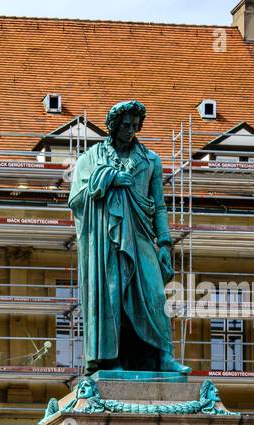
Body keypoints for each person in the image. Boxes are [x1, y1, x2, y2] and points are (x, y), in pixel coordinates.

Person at [67, 99, 189, 375]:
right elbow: (75, 199)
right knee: (112, 296)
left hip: (141, 235)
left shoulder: (150, 160)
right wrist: (108, 180)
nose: (130, 130)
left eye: (135, 126)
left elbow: (158, 205)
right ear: (113, 126)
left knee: (156, 294)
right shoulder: (91, 158)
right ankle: (111, 360)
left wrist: (165, 243)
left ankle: (163, 357)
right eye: (125, 125)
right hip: (106, 239)